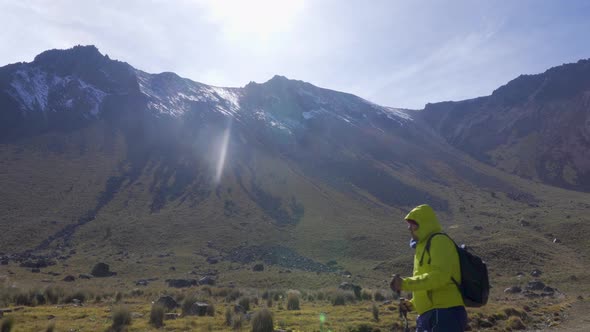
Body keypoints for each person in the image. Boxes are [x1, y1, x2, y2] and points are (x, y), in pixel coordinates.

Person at [390, 204, 467, 331]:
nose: (409, 228)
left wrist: (405, 283)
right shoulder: (421, 247)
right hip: (430, 315)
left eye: (413, 224)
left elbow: (440, 277)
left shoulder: (439, 241)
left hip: (445, 313)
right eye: (408, 224)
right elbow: (428, 288)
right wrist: (412, 305)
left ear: (424, 224)